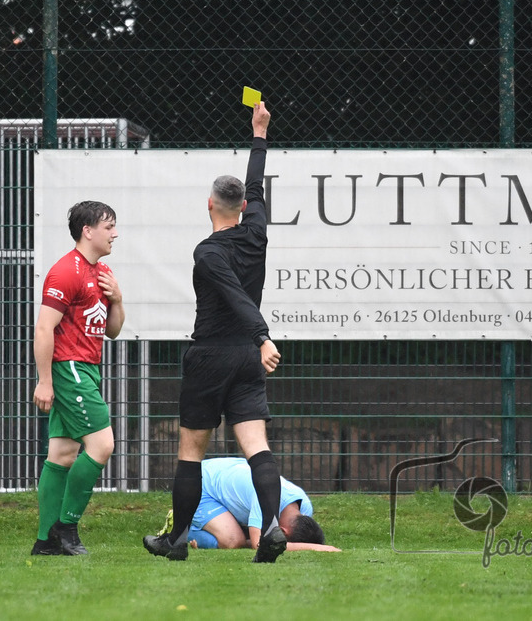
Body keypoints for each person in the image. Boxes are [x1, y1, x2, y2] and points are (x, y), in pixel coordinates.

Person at [144, 101, 286, 563]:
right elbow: (258, 183)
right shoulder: (257, 232)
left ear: (210, 205)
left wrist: (263, 334)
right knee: (256, 447)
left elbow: (234, 296)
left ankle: (178, 538)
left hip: (212, 356)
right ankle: (269, 531)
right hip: (245, 358)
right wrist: (259, 133)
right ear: (244, 208)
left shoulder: (207, 253)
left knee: (191, 452)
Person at [30, 201, 125, 556]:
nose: (115, 233)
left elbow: (112, 331)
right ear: (88, 231)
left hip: (86, 369)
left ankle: (44, 542)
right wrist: (45, 381)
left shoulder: (101, 272)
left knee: (63, 453)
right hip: (69, 369)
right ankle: (65, 529)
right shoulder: (65, 271)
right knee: (102, 446)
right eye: (109, 226)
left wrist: (117, 298)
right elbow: (44, 328)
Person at [167, 457, 340, 553]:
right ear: (284, 531)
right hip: (200, 485)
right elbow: (259, 544)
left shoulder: (305, 508)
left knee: (242, 537)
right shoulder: (265, 497)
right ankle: (181, 524)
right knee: (233, 541)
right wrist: (318, 548)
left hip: (225, 471)